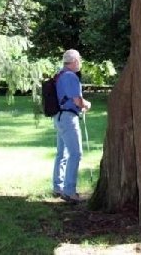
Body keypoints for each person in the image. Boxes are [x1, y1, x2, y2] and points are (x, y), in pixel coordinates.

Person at [52, 49, 91, 203]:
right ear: (74, 61)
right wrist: (87, 104)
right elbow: (77, 100)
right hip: (68, 117)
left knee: (61, 153)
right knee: (75, 154)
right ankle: (69, 191)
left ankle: (58, 187)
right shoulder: (71, 76)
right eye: (79, 60)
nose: (80, 62)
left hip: (59, 117)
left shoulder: (60, 74)